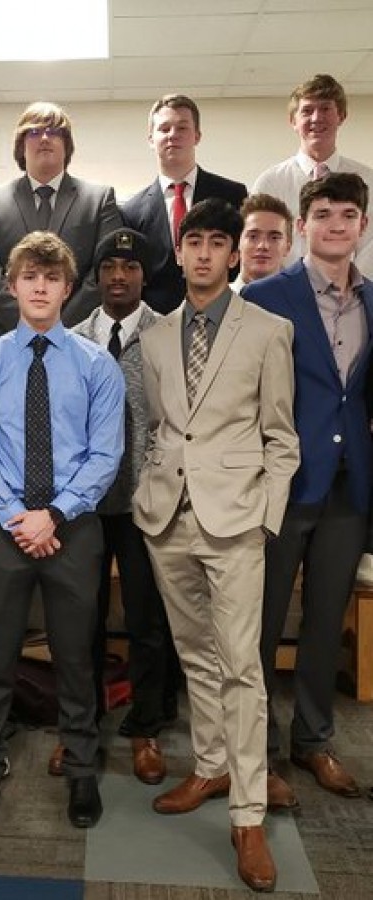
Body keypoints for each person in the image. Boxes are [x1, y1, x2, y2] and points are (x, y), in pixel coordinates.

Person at [134, 198, 299, 893]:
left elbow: (280, 438)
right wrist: (152, 491)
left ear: (233, 255)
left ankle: (246, 813)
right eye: (191, 241)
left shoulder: (268, 331)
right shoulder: (152, 337)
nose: (202, 254)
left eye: (215, 244)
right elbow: (152, 429)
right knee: (194, 654)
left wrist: (266, 519)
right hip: (166, 516)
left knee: (241, 667)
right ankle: (208, 766)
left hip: (236, 520)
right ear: (178, 252)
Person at [0, 231, 124, 830]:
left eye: (52, 278)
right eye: (31, 276)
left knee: (77, 658)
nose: (40, 287)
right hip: (3, 528)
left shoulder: (98, 365)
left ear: (67, 288)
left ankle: (81, 769)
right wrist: (17, 516)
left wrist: (52, 515)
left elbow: (105, 456)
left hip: (72, 529)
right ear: (13, 285)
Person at [244, 173, 373, 803]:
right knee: (263, 625)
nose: (337, 224)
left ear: (363, 227)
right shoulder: (266, 295)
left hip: (348, 490)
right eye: (324, 213)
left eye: (349, 214)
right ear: (304, 225)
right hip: (282, 486)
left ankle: (313, 740)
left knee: (325, 622)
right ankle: (261, 753)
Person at [71, 228, 169, 785]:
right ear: (95, 274)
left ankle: (146, 728)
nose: (118, 275)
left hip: (144, 504)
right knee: (82, 618)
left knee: (146, 620)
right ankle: (81, 725)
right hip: (85, 504)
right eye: (108, 265)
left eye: (129, 267)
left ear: (143, 275)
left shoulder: (167, 335)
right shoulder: (76, 337)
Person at [0, 101, 122, 336]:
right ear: (21, 146)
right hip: (9, 333)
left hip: (80, 335)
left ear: (67, 145)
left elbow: (104, 268)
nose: (44, 138)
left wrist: (59, 326)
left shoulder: (99, 199)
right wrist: (28, 321)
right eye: (34, 131)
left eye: (54, 132)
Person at [121, 94, 247, 313]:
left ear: (197, 136)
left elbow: (241, 259)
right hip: (157, 325)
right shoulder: (131, 211)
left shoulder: (232, 194)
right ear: (151, 139)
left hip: (224, 315)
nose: (173, 135)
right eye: (164, 128)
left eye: (182, 128)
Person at [252, 74, 373, 276]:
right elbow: (260, 246)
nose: (316, 118)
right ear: (293, 120)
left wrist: (348, 294)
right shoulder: (269, 184)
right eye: (307, 111)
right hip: (283, 298)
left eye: (325, 108)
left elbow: (370, 249)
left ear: (341, 116)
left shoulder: (368, 181)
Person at [231, 194, 294, 292]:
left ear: (287, 247)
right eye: (253, 236)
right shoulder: (210, 302)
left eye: (274, 238)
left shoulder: (304, 305)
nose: (263, 246)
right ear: (238, 242)